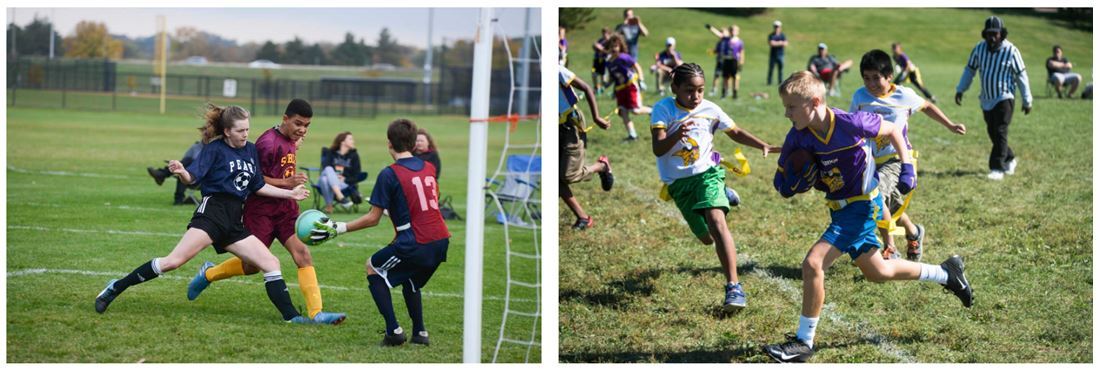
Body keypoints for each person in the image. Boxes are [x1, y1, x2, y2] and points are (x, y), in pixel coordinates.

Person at [762, 72, 973, 363]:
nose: (786, 113)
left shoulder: (851, 123)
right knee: (878, 272)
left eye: (791, 107)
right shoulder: (797, 136)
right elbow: (781, 179)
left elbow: (895, 132)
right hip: (839, 208)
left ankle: (803, 342)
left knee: (813, 263)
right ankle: (947, 273)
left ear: (814, 102)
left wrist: (908, 169)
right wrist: (790, 184)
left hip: (862, 206)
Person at [95, 104, 317, 325]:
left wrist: (290, 194)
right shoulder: (214, 149)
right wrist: (183, 172)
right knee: (173, 262)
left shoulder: (250, 150)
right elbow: (193, 178)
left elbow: (258, 185)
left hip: (233, 221)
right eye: (240, 131)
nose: (246, 134)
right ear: (228, 131)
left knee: (270, 263)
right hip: (211, 215)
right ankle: (116, 287)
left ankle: (292, 318)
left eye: (247, 130)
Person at [183, 99, 346, 325]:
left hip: (286, 209)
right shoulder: (266, 143)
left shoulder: (291, 138)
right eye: (298, 123)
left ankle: (316, 313)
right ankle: (210, 273)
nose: (302, 129)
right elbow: (255, 179)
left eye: (307, 126)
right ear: (285, 119)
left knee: (303, 255)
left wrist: (293, 154)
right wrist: (286, 182)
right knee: (251, 266)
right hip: (260, 211)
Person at [650, 63, 781, 313]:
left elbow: (735, 131)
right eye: (689, 90)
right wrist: (677, 135)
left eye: (700, 90)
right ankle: (725, 195)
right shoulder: (663, 109)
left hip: (707, 174)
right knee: (706, 238)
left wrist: (762, 144)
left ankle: (734, 287)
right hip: (679, 184)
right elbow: (658, 149)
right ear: (675, 87)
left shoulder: (710, 109)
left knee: (716, 221)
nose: (696, 96)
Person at [309, 118, 450, 346]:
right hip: (441, 240)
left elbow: (372, 218)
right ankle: (420, 333)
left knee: (373, 268)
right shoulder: (429, 168)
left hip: (416, 241)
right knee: (411, 280)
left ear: (389, 144)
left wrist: (339, 228)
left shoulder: (389, 174)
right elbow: (423, 205)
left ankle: (394, 331)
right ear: (414, 143)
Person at [851, 50, 967, 262]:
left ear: (889, 76)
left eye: (876, 78)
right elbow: (853, 126)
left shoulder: (903, 95)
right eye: (866, 78)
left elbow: (927, 107)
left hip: (898, 159)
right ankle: (914, 233)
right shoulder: (859, 96)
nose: (871, 83)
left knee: (875, 193)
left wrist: (950, 125)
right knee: (890, 204)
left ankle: (890, 248)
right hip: (871, 162)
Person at [955, 16, 1032, 181]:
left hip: (1005, 97)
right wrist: (961, 89)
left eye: (995, 34)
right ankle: (1009, 157)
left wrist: (1027, 100)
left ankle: (997, 167)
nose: (992, 37)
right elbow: (970, 70)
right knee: (993, 133)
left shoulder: (1011, 51)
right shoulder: (979, 49)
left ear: (1001, 34)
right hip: (987, 99)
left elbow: (1021, 76)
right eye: (989, 34)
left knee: (1000, 130)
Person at [560, 65, 614, 230]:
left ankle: (602, 166)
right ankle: (583, 218)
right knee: (554, 178)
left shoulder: (557, 70)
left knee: (568, 175)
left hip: (569, 127)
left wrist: (596, 117)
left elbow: (586, 87)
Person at [605, 33, 651, 142]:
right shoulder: (609, 62)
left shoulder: (624, 57)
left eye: (616, 46)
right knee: (623, 112)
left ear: (620, 46)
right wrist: (606, 86)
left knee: (635, 110)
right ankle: (632, 135)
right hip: (620, 89)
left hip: (630, 86)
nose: (614, 48)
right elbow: (613, 77)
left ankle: (651, 110)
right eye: (612, 46)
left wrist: (641, 80)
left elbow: (636, 66)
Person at [147, 135, 205, 205]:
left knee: (186, 165)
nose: (205, 133)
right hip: (189, 176)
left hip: (202, 179)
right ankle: (179, 200)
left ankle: (162, 174)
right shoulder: (196, 147)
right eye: (204, 130)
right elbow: (184, 161)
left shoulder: (213, 149)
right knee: (184, 167)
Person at [318, 131, 364, 214]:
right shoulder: (331, 153)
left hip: (343, 184)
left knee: (324, 179)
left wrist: (345, 179)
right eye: (350, 139)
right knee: (327, 170)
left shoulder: (354, 156)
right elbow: (325, 168)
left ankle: (329, 206)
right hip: (331, 181)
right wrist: (334, 177)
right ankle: (340, 197)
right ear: (342, 141)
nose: (353, 141)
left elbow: (357, 175)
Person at [706, 24, 745, 99]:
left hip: (734, 61)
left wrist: (741, 63)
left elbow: (742, 53)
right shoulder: (726, 39)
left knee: (735, 78)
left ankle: (735, 94)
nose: (733, 31)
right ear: (729, 31)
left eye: (735, 30)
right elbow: (718, 33)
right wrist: (711, 28)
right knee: (725, 77)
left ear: (738, 32)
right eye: (731, 30)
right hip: (726, 60)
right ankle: (724, 93)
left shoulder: (740, 42)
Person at [591, 27, 613, 94]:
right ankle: (596, 87)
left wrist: (601, 49)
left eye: (606, 33)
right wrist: (594, 46)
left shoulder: (611, 42)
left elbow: (609, 52)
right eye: (603, 33)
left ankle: (602, 88)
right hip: (597, 60)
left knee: (603, 78)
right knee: (593, 73)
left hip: (605, 61)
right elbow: (595, 48)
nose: (604, 35)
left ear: (609, 34)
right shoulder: (600, 40)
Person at [767, 20, 788, 86]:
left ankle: (780, 82)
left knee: (780, 70)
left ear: (780, 27)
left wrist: (776, 43)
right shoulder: (771, 35)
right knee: (771, 69)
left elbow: (785, 43)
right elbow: (771, 43)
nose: (777, 28)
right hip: (773, 55)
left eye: (778, 27)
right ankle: (769, 82)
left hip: (780, 55)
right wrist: (780, 42)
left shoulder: (783, 35)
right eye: (775, 27)